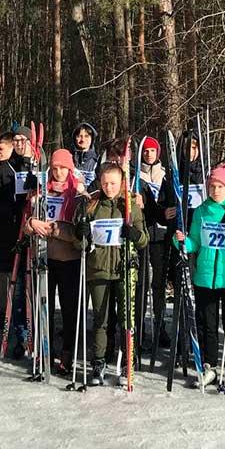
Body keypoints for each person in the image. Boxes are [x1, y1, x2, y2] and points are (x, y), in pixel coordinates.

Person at [175, 161, 225, 390]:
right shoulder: (201, 211)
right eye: (212, 187)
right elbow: (195, 242)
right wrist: (181, 241)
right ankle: (208, 365)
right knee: (207, 325)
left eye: (220, 186)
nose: (215, 191)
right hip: (205, 278)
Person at [73, 162, 149, 386]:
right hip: (98, 270)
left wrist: (133, 233)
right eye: (105, 183)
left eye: (113, 183)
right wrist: (81, 233)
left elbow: (144, 239)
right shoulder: (91, 205)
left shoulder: (130, 206)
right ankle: (99, 361)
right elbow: (80, 244)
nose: (109, 187)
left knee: (127, 317)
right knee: (101, 318)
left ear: (121, 183)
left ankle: (128, 361)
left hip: (124, 269)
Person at [0, 132, 31, 331]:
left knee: (25, 274)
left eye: (1, 148)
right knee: (3, 273)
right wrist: (11, 205)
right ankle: (1, 311)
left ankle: (25, 312)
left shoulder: (27, 165)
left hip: (26, 229)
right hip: (4, 230)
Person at [44, 149, 84, 374]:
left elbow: (81, 234)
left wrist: (58, 230)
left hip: (70, 260)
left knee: (69, 310)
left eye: (63, 168)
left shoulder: (77, 194)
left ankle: (68, 352)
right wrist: (32, 223)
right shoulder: (42, 191)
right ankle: (45, 348)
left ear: (70, 169)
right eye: (55, 167)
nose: (58, 172)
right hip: (45, 258)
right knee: (45, 307)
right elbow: (27, 222)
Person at [137, 136, 171, 351]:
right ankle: (139, 327)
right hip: (142, 234)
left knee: (158, 284)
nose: (149, 154)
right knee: (141, 283)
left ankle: (160, 326)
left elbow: (171, 203)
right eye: (146, 151)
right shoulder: (135, 177)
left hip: (161, 237)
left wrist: (168, 212)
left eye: (152, 151)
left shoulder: (165, 177)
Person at [70, 122, 100, 187]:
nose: (83, 140)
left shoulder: (98, 161)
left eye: (86, 136)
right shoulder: (67, 158)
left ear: (92, 139)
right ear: (74, 138)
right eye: (79, 136)